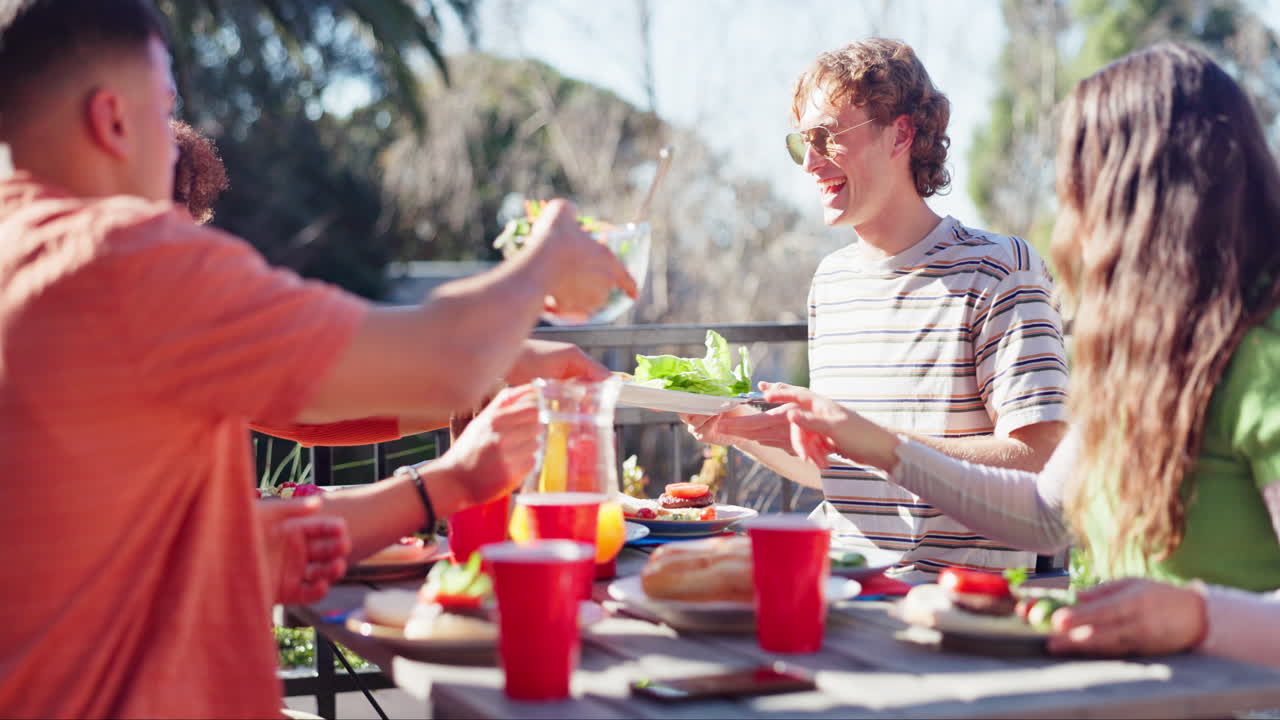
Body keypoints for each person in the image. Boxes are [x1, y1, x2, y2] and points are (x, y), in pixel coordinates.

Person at [0, 2, 635, 718]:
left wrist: (470, 430)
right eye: (165, 111)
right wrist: (549, 253)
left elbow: (306, 403)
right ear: (113, 120)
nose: (175, 145)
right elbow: (444, 361)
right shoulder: (124, 260)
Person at [762, 42, 1280, 666]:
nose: (1073, 216)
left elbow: (1034, 470)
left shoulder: (1263, 357)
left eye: (1089, 180)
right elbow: (1045, 515)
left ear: (1160, 198)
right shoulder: (1155, 351)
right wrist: (875, 444)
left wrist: (1195, 616)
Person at [685, 38, 1068, 581]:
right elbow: (838, 473)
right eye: (801, 144)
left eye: (826, 138)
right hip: (841, 591)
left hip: (957, 610)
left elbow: (1040, 461)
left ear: (902, 134)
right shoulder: (831, 283)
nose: (811, 162)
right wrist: (738, 429)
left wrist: (873, 440)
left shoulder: (1001, 269)